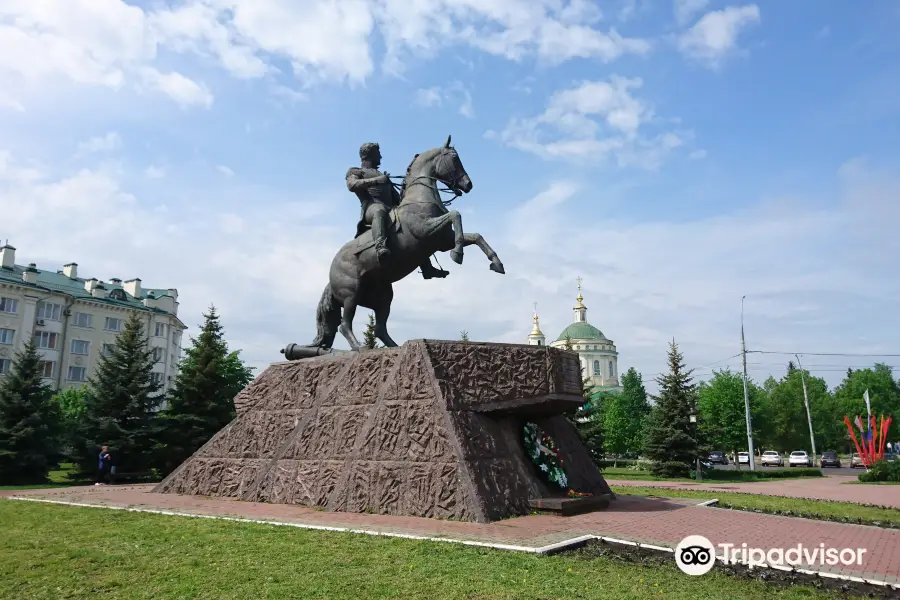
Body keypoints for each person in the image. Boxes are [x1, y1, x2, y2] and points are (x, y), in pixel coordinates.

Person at [346, 142, 448, 278]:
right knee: (379, 211)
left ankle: (427, 268)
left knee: (413, 223)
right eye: (378, 154)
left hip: (391, 208)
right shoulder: (355, 171)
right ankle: (380, 246)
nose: (380, 157)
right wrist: (377, 181)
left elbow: (395, 197)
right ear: (369, 155)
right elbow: (352, 185)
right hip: (372, 207)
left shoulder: (382, 175)